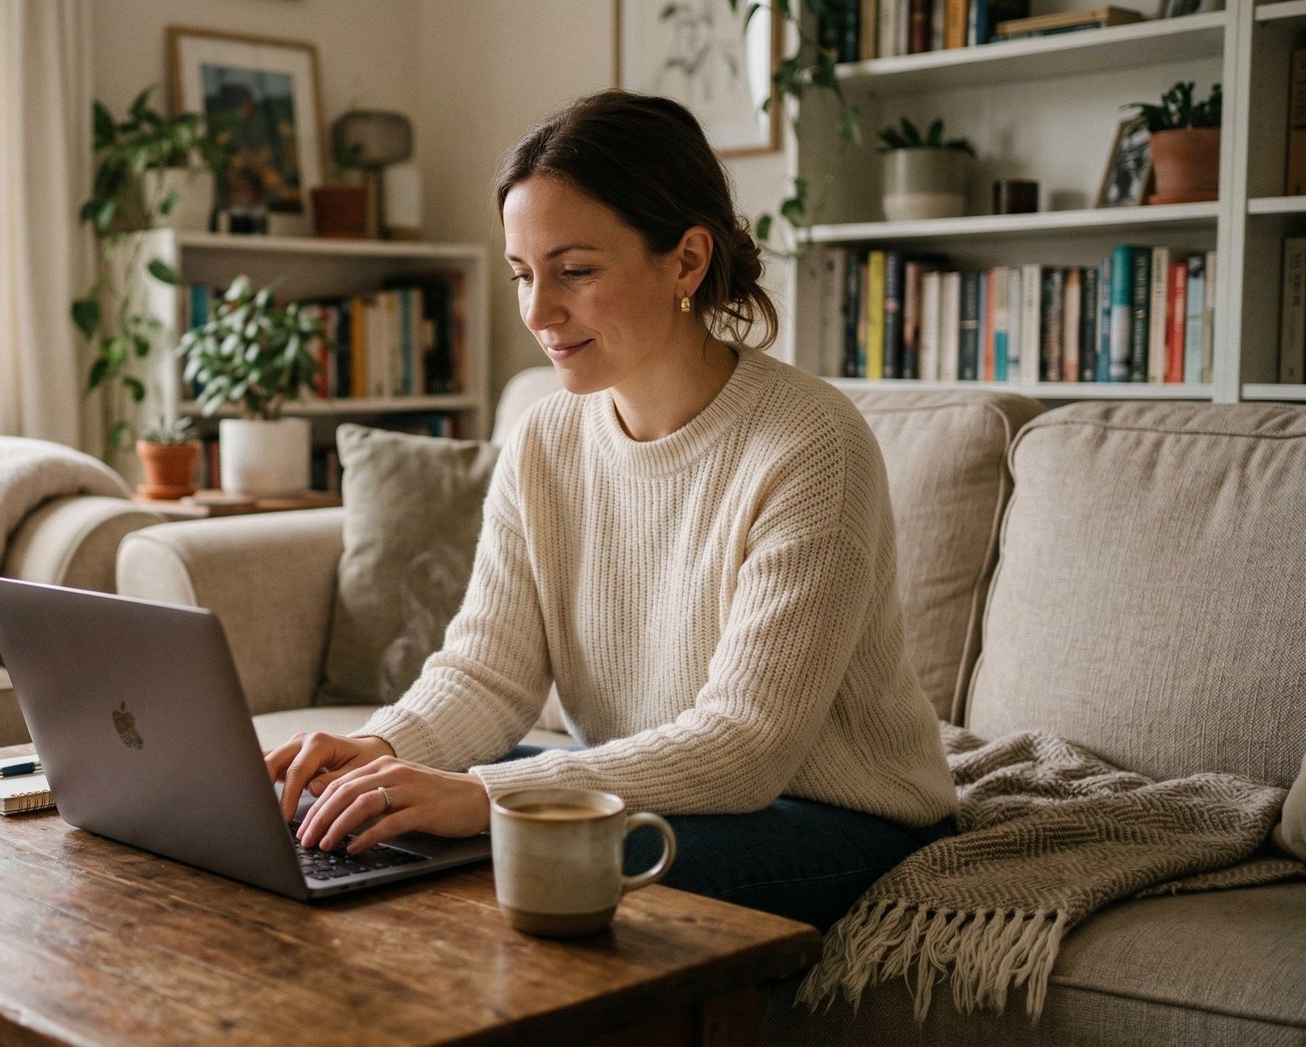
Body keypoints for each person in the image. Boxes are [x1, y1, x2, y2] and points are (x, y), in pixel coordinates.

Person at [264, 89, 958, 932]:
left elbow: (743, 746)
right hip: (639, 780)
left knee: (522, 858)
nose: (538, 312)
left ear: (688, 261)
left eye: (575, 271)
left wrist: (484, 793)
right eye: (524, 274)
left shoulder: (812, 446)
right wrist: (386, 748)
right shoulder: (544, 439)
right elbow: (488, 671)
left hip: (838, 817)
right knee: (374, 813)